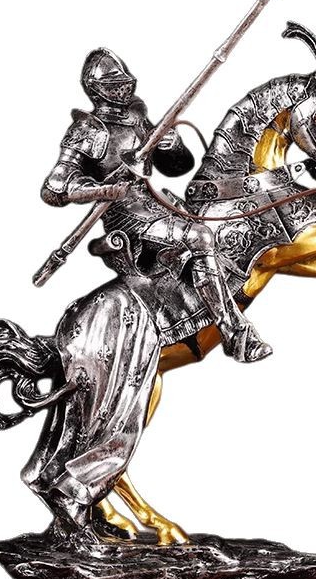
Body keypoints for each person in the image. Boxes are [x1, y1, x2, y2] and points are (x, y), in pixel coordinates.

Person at [41, 47, 271, 363]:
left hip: (158, 203)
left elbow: (177, 167)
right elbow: (54, 186)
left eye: (123, 81)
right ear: (96, 89)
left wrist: (172, 146)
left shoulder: (137, 117)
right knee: (199, 236)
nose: (122, 89)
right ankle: (233, 331)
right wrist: (103, 190)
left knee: (218, 226)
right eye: (113, 84)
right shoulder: (87, 130)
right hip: (125, 216)